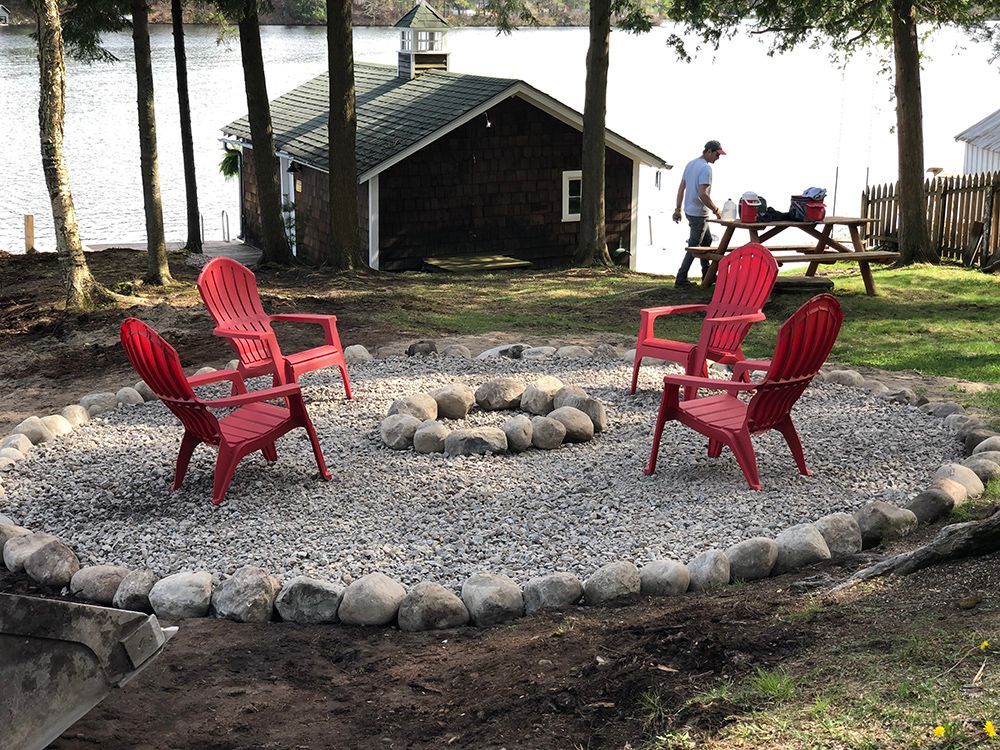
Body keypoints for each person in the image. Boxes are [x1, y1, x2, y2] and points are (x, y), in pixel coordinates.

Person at [672, 140, 725, 287]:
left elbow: (681, 188)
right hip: (699, 213)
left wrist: (678, 209)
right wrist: (716, 210)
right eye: (717, 154)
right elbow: (703, 194)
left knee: (706, 242)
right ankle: (681, 279)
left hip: (690, 211)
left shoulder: (690, 164)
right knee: (694, 246)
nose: (718, 158)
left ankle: (707, 275)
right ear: (708, 151)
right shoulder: (706, 169)